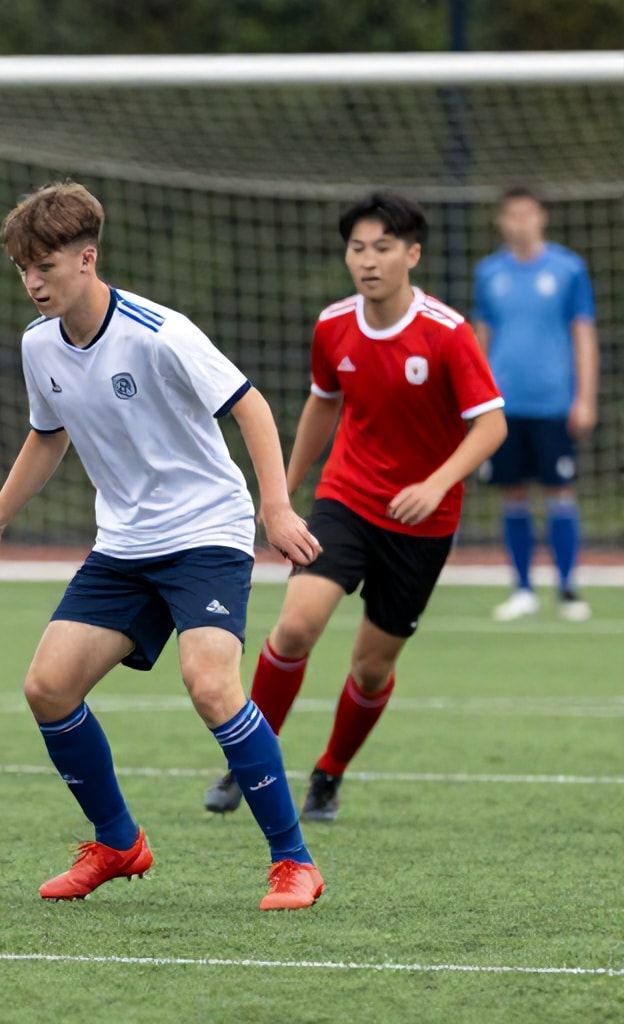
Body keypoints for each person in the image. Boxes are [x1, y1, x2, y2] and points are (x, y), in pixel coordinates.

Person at [0, 181, 326, 911]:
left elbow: (249, 405)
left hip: (206, 532)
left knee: (212, 685)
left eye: (46, 266)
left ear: (86, 258)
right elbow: (46, 435)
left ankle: (294, 862)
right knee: (48, 687)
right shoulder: (40, 346)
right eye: (22, 268)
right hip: (124, 544)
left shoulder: (160, 332)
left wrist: (275, 508)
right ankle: (119, 841)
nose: (32, 282)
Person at [204, 192, 507, 823]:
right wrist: (282, 490)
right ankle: (247, 760)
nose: (368, 261)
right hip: (345, 498)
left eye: (384, 247)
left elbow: (491, 425)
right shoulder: (334, 324)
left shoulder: (446, 334)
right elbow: (323, 402)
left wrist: (436, 484)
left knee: (371, 670)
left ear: (412, 254)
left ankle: (329, 776)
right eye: (357, 248)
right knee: (294, 626)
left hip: (422, 523)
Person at [473, 186, 599, 622]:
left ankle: (567, 588)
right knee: (513, 494)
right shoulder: (489, 273)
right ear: (501, 221)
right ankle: (522, 587)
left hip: (554, 402)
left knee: (560, 492)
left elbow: (583, 335)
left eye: (528, 214)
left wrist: (584, 397)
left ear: (542, 217)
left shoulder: (568, 269)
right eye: (512, 215)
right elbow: (481, 338)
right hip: (504, 406)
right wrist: (476, 399)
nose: (520, 222)